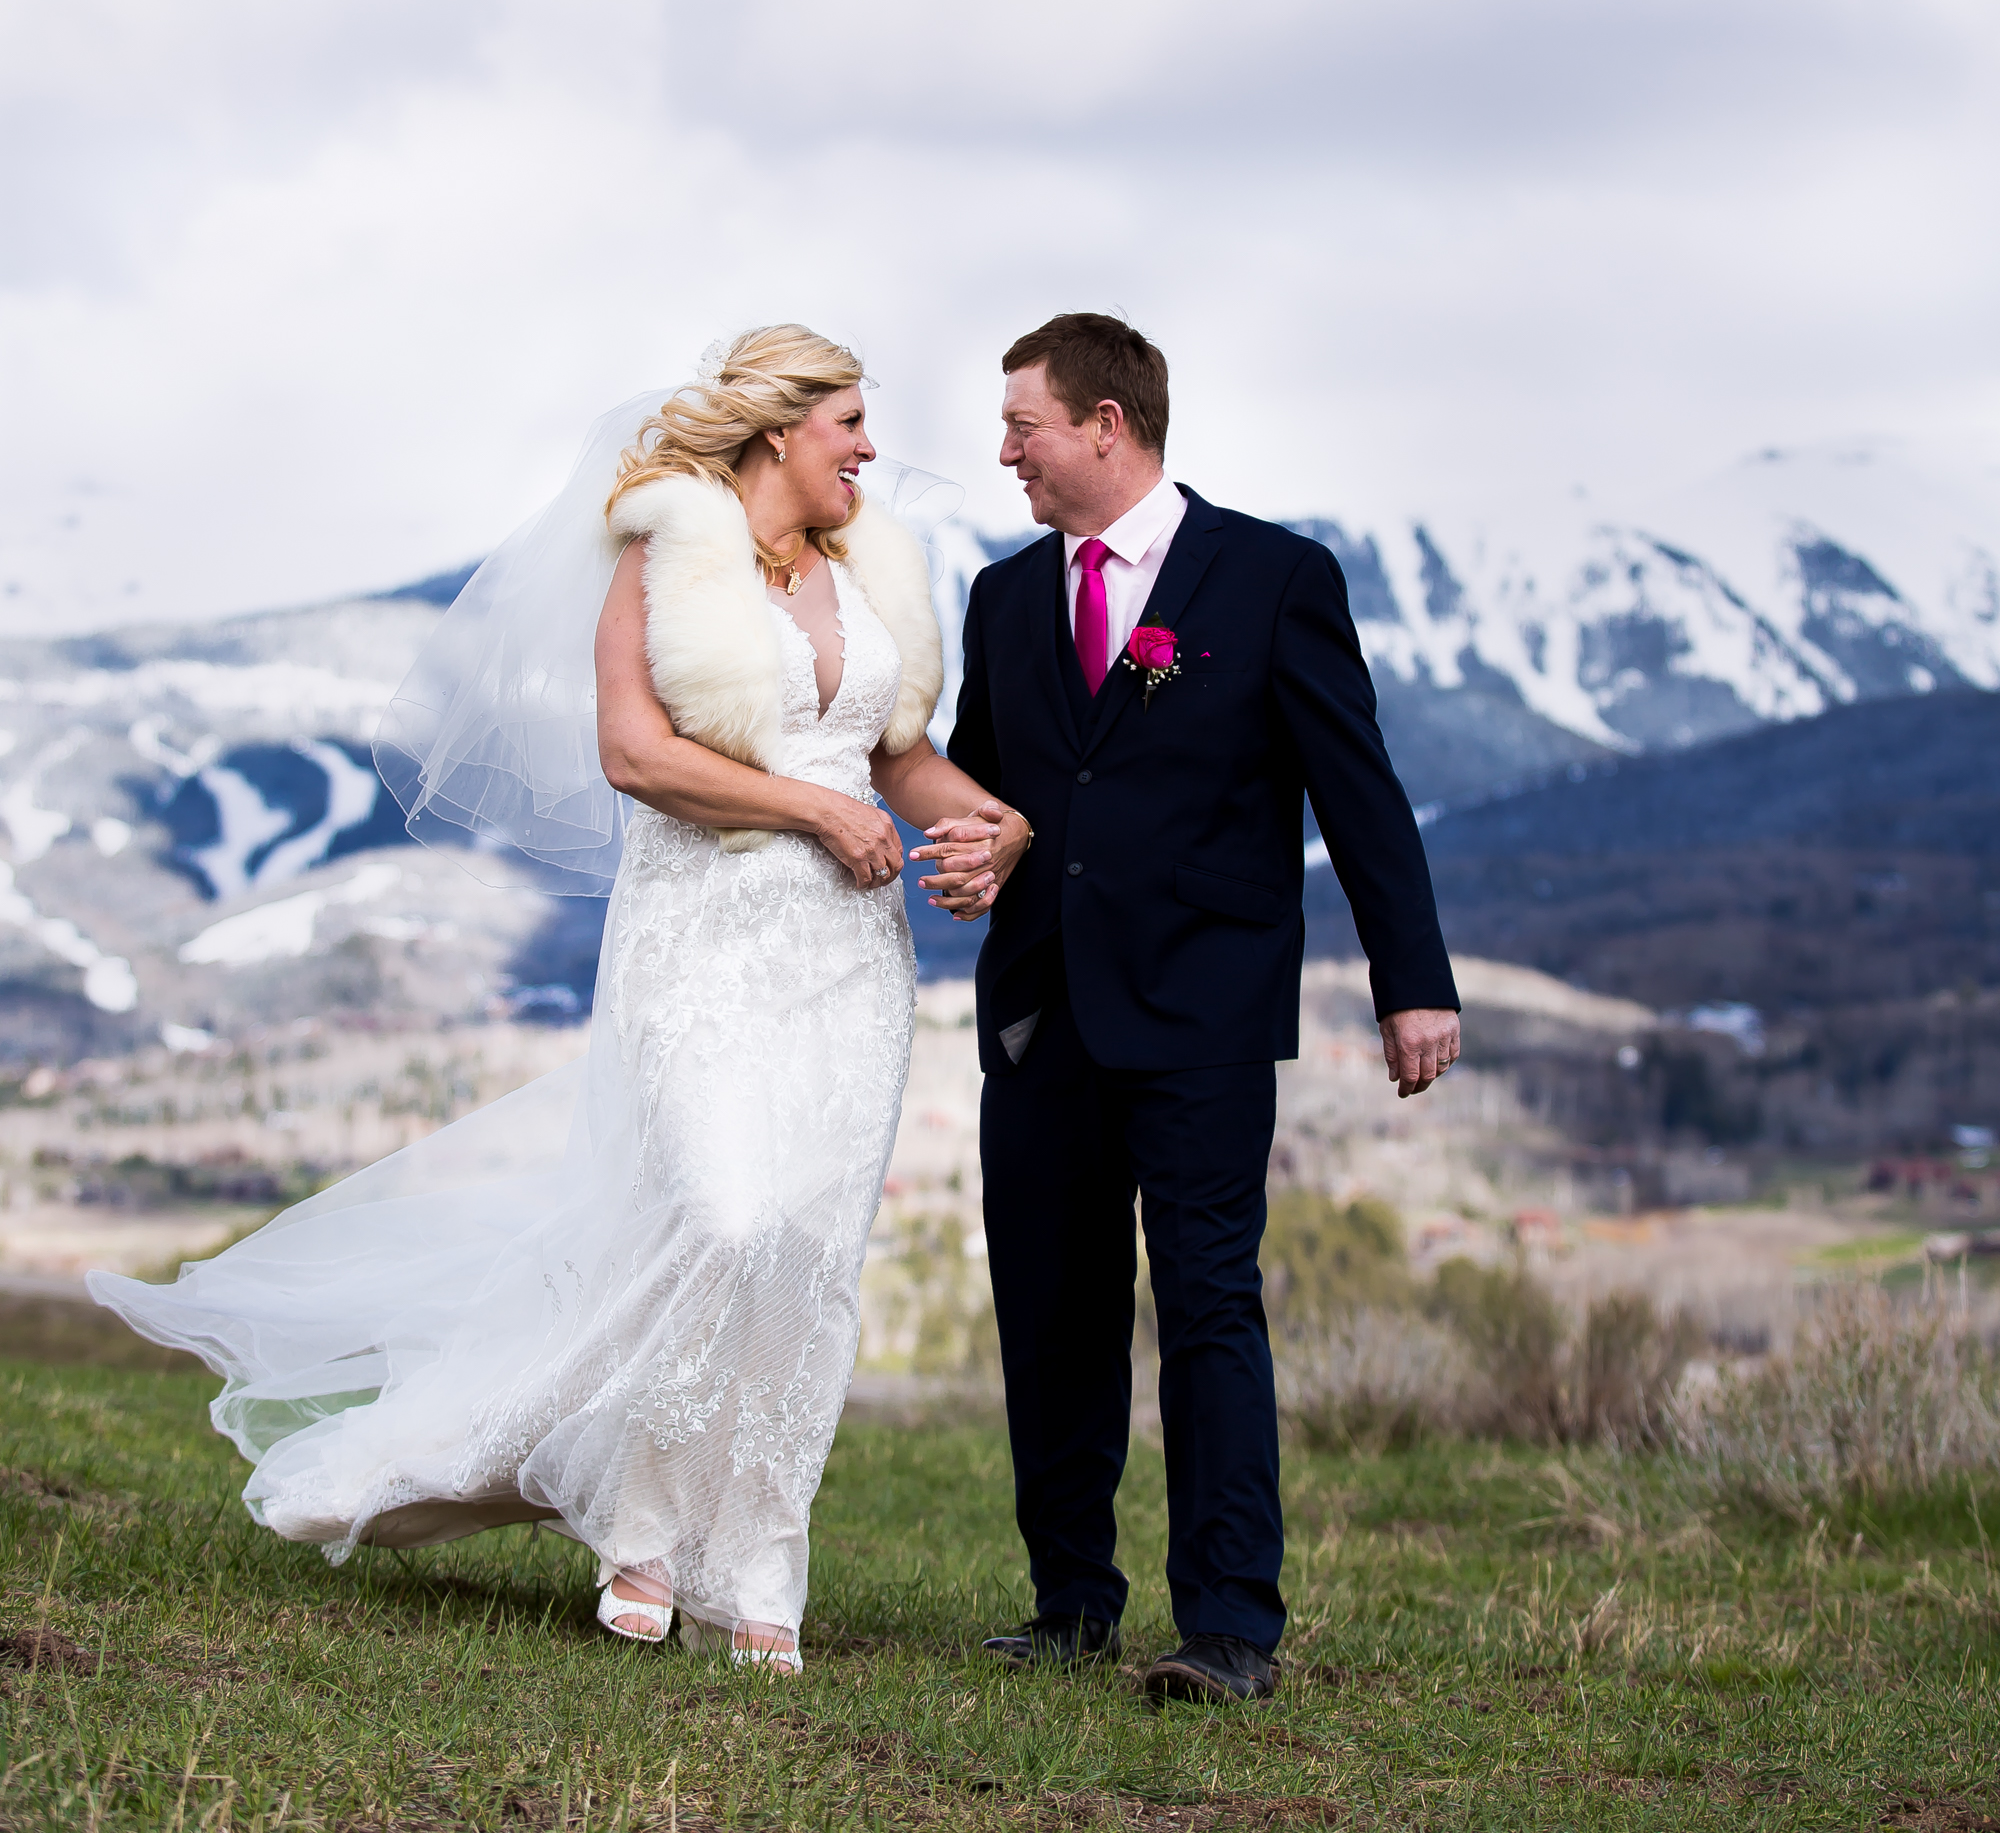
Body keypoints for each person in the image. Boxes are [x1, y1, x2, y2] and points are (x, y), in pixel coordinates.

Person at [90, 326, 1026, 1672]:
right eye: (849, 425)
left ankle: (757, 1565)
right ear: (778, 434)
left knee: (805, 1259)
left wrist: (999, 832)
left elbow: (903, 757)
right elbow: (637, 755)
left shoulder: (872, 570)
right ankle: (641, 1524)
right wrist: (817, 811)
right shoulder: (666, 559)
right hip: (699, 943)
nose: (872, 450)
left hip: (847, 967)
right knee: (721, 1211)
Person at [946, 313, 1461, 1705]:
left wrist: (1410, 982)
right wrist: (968, 850)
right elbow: (986, 791)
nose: (1007, 454)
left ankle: (1230, 1625)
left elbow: (1360, 791)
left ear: (1106, 424)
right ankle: (1070, 1602)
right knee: (1051, 1312)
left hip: (1206, 1013)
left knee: (1209, 1305)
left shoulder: (1274, 580)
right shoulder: (1002, 602)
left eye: (1024, 427)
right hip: (1043, 1013)